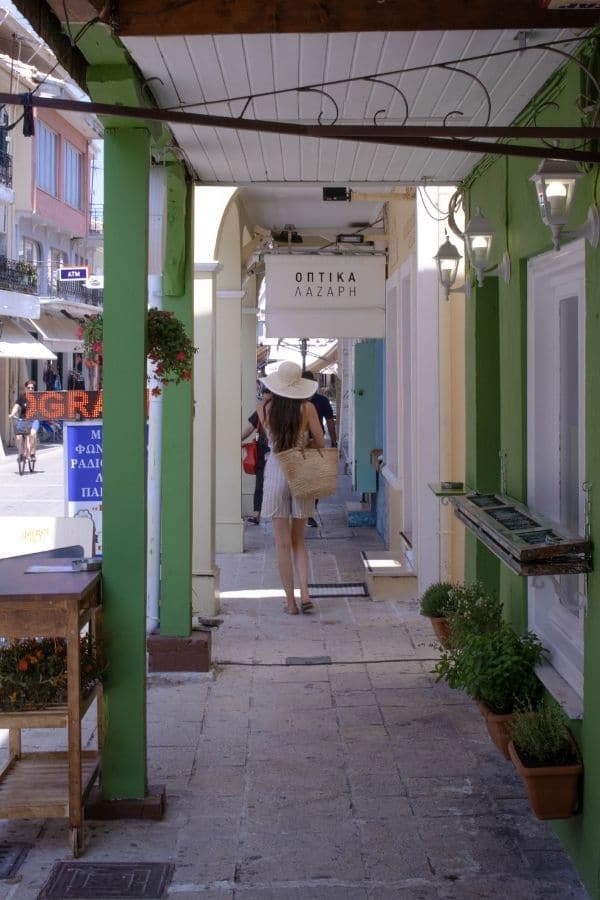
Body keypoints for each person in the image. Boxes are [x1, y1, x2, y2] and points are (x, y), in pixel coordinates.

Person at [256, 361, 324, 616]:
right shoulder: (307, 408)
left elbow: (269, 436)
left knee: (281, 544)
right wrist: (304, 443)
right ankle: (305, 593)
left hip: (275, 471)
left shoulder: (265, 408)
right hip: (300, 471)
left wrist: (264, 402)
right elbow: (319, 440)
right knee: (298, 541)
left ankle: (291, 603)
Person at [302, 371, 337, 527]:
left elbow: (330, 422)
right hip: (316, 444)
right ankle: (309, 512)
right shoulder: (322, 401)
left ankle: (305, 512)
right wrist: (334, 443)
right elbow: (330, 423)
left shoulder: (293, 401)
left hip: (303, 446)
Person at [241, 386, 271, 524]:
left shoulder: (281, 412)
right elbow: (249, 428)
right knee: (259, 484)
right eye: (264, 395)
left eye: (267, 396)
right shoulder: (260, 411)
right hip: (262, 452)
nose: (264, 399)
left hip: (277, 453)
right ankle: (256, 513)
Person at [9, 379, 40, 457]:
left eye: (32, 388)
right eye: (28, 388)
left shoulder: (38, 398)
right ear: (25, 388)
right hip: (23, 420)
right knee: (19, 437)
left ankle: (32, 453)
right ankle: (21, 453)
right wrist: (12, 414)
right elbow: (16, 407)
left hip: (34, 420)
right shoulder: (21, 397)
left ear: (34, 389)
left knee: (32, 434)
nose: (30, 389)